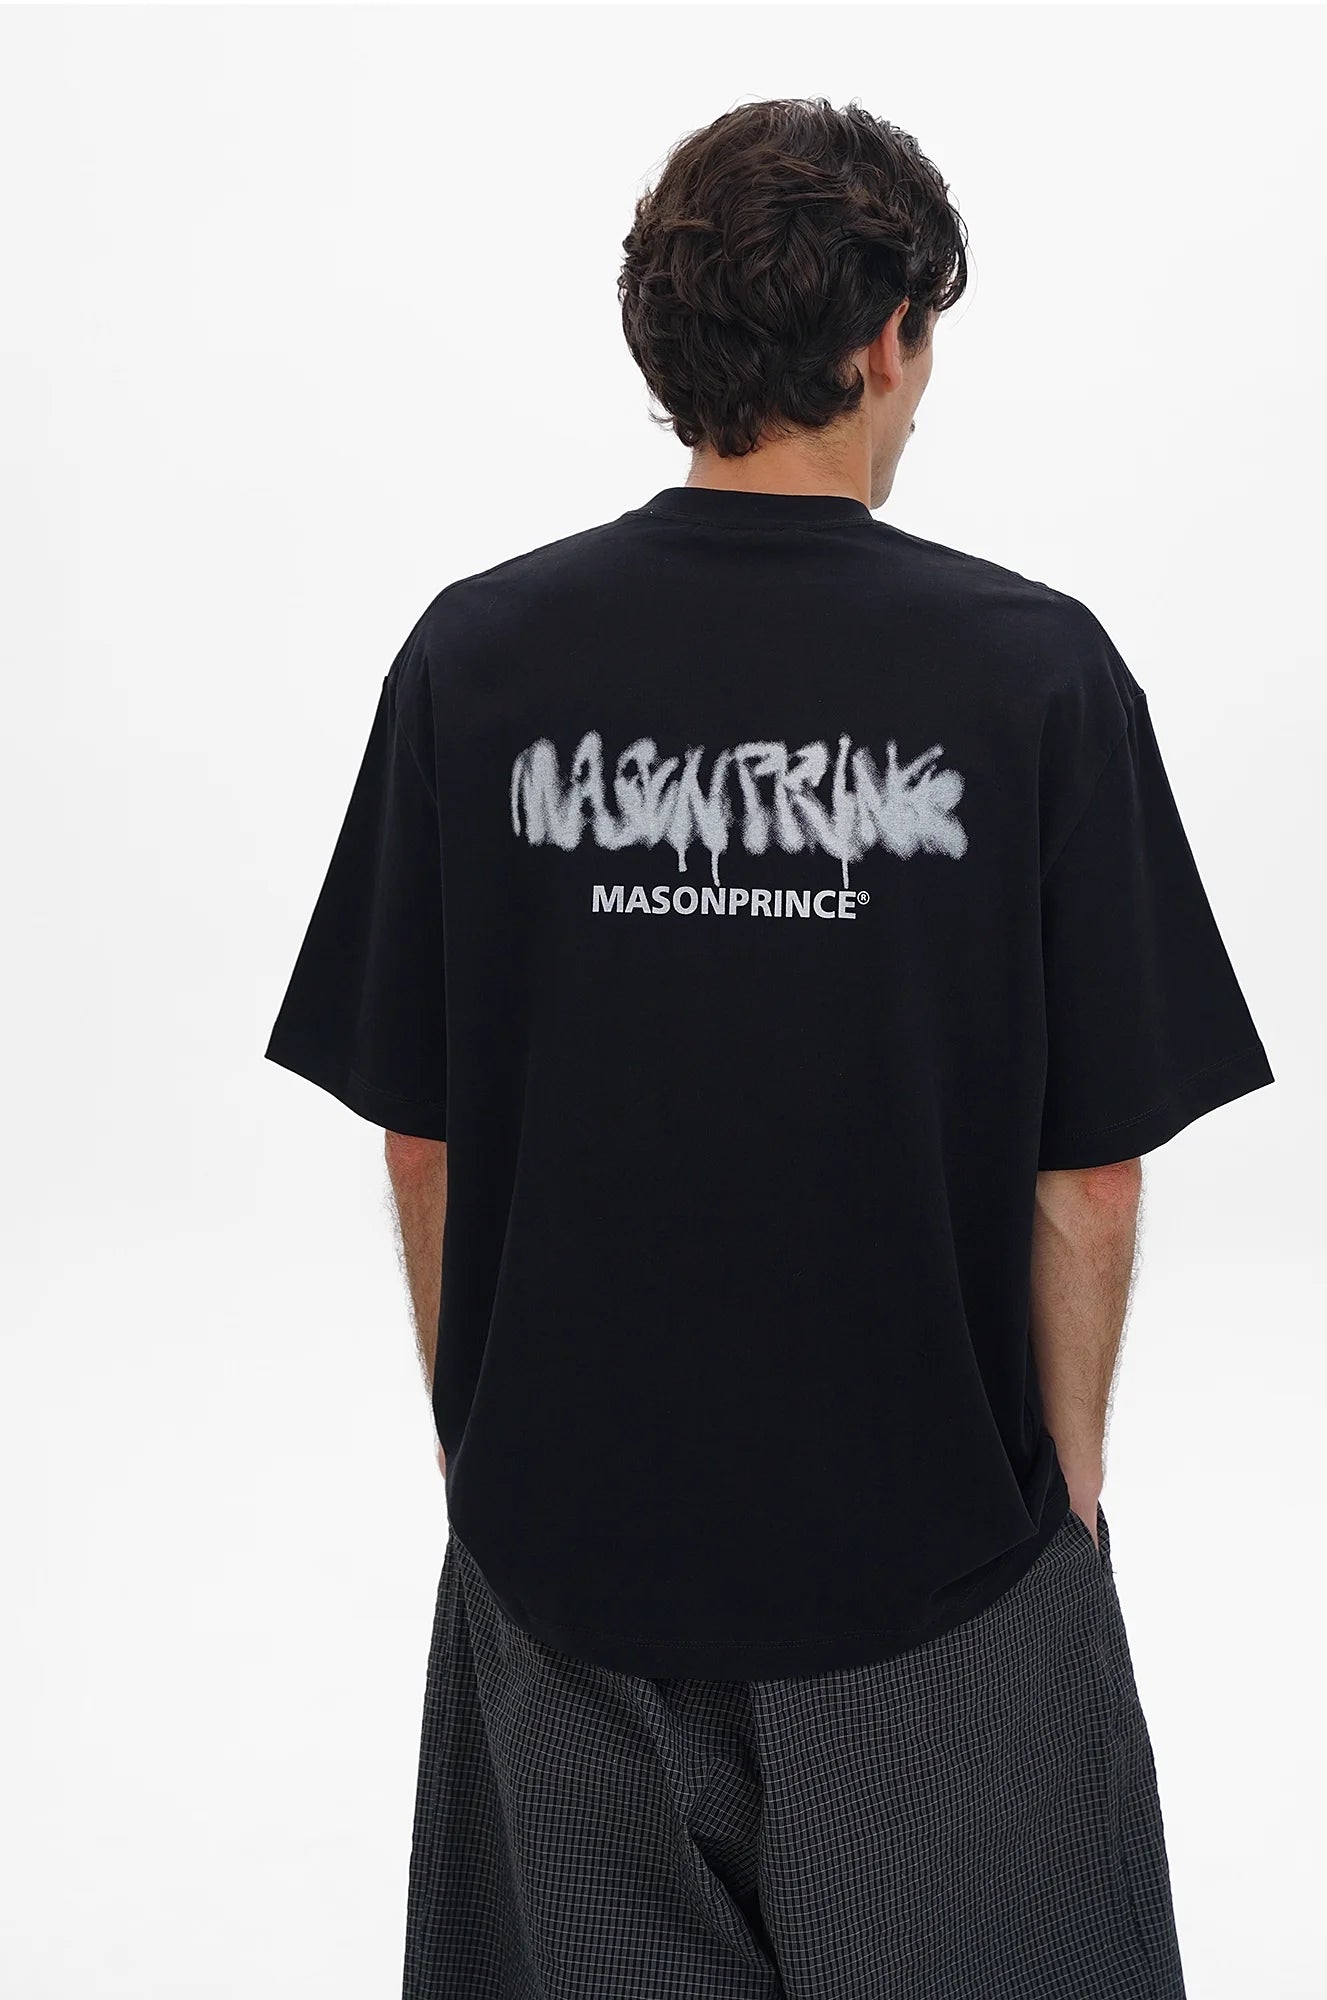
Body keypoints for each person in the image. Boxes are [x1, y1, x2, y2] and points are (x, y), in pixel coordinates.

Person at [266, 96, 1272, 2000]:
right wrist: (1066, 1489)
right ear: (888, 340)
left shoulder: (475, 662)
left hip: (566, 1565)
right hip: (935, 1572)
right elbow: (1088, 1177)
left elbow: (422, 1136)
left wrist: (489, 1449)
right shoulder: (1035, 674)